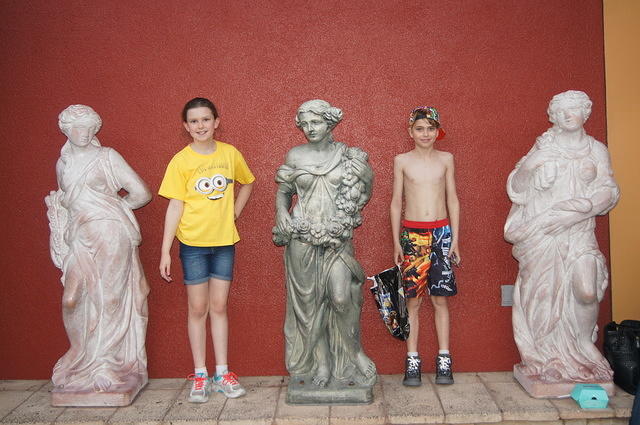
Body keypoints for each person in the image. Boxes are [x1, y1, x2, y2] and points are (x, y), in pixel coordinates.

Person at [505, 90, 619, 385]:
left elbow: (608, 190)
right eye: (562, 111)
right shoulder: (544, 146)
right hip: (544, 233)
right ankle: (545, 358)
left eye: (575, 109)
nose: (569, 115)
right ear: (554, 116)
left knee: (586, 290)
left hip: (578, 231)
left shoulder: (596, 149)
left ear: (586, 112)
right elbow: (517, 188)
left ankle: (582, 344)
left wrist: (580, 211)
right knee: (543, 294)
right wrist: (534, 163)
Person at [46, 104, 152, 394]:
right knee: (71, 299)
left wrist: (114, 209)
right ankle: (81, 355)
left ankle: (107, 363)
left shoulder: (107, 157)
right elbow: (65, 202)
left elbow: (141, 193)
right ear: (66, 130)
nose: (84, 133)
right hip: (79, 237)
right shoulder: (63, 164)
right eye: (77, 127)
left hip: (110, 232)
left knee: (111, 299)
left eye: (89, 127)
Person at [273, 99, 377, 391]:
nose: (310, 128)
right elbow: (284, 192)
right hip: (302, 238)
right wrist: (281, 212)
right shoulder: (295, 155)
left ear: (329, 123)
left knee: (341, 298)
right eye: (305, 124)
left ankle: (354, 352)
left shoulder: (347, 156)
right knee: (311, 305)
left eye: (316, 122)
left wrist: (364, 178)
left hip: (337, 238)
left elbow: (362, 194)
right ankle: (322, 363)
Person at [159, 97, 255, 402]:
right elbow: (175, 206)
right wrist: (165, 251)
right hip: (193, 246)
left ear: (216, 122)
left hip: (224, 242)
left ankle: (222, 373)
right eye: (194, 121)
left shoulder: (230, 154)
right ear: (186, 126)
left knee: (219, 307)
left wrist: (235, 213)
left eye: (205, 119)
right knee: (198, 309)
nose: (200, 125)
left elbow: (248, 182)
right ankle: (200, 374)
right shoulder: (181, 161)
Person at [390, 106, 460, 387]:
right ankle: (412, 359)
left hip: (442, 233)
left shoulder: (446, 159)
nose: (425, 134)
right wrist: (396, 240)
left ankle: (444, 358)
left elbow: (452, 199)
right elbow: (396, 203)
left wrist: (455, 238)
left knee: (440, 299)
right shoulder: (402, 161)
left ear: (437, 131)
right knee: (413, 301)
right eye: (420, 129)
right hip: (413, 235)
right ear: (411, 132)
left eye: (430, 128)